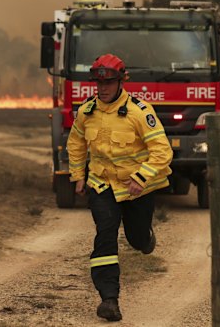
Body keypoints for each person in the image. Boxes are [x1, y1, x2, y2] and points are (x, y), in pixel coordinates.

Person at [66, 54, 173, 322]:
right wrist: (79, 175)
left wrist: (141, 177)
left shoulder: (139, 111)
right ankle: (108, 299)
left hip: (137, 188)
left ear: (121, 81)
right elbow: (76, 144)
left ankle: (145, 239)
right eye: (98, 83)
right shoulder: (86, 112)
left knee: (136, 238)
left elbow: (162, 151)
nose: (102, 88)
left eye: (109, 83)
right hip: (102, 185)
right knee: (105, 233)